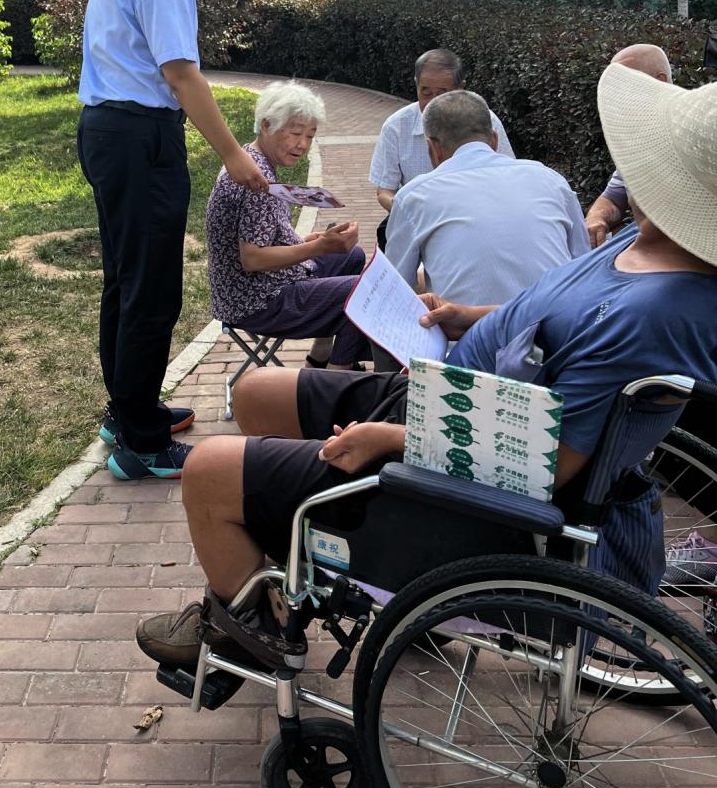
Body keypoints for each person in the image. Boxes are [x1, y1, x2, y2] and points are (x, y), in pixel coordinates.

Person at [135, 64, 717, 667]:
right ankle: (294, 553)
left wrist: (390, 438)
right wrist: (470, 318)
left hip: (461, 463)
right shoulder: (641, 245)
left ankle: (258, 630)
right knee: (255, 391)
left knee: (207, 469)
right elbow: (557, 319)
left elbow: (548, 464)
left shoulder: (652, 314)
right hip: (458, 396)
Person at [77, 0, 268, 484]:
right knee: (151, 289)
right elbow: (181, 74)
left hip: (109, 130)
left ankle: (127, 412)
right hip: (140, 137)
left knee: (125, 279)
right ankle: (142, 444)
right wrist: (234, 154)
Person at [207, 80, 369, 371]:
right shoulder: (257, 181)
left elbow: (260, 237)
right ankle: (334, 381)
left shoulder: (251, 160)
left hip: (246, 289)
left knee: (351, 256)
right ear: (266, 125)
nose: (303, 145)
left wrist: (307, 242)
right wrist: (319, 247)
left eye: (310, 136)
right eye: (295, 133)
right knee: (361, 292)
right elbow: (253, 259)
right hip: (256, 300)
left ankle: (319, 358)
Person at [386, 89, 589, 304]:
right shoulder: (551, 180)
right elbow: (584, 265)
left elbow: (394, 290)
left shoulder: (413, 196)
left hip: (467, 325)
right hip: (561, 321)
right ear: (494, 140)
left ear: (433, 148)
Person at [369, 48, 514, 246]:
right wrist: (409, 212)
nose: (432, 103)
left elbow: (507, 179)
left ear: (461, 89)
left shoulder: (486, 121)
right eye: (425, 92)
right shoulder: (396, 126)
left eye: (442, 94)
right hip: (419, 221)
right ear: (416, 85)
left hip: (476, 219)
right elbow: (385, 191)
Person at [585, 43, 673, 248]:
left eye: (623, 85)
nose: (614, 96)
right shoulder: (638, 138)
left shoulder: (697, 134)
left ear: (659, 81)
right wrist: (597, 218)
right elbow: (613, 198)